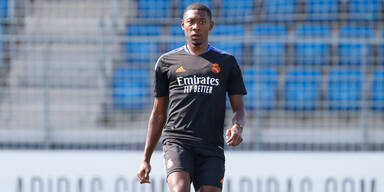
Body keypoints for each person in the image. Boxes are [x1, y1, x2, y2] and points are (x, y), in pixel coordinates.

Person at [137, 3, 247, 192]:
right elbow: (158, 113)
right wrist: (145, 159)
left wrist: (238, 126)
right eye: (191, 22)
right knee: (180, 189)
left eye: (201, 22)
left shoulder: (227, 62)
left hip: (211, 145)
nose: (196, 26)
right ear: (183, 25)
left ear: (210, 26)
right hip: (177, 141)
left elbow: (239, 109)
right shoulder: (166, 62)